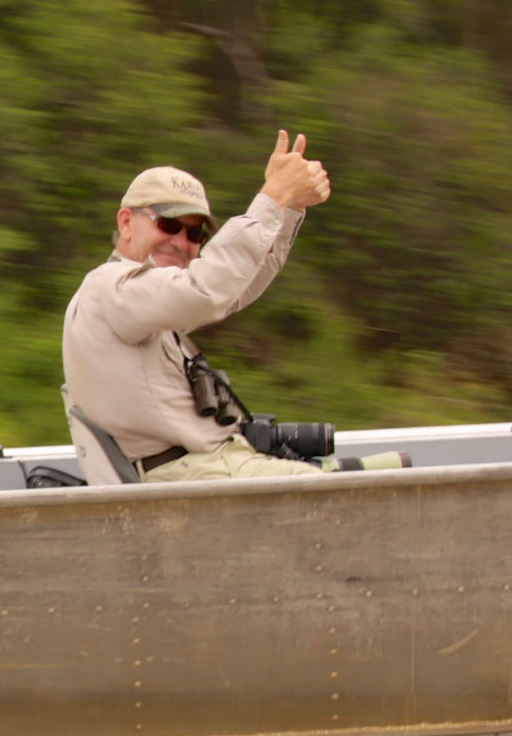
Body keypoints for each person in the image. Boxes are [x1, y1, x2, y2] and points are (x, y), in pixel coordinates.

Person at [63, 132, 335, 482]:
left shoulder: (138, 298)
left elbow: (234, 286)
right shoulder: (111, 287)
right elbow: (208, 288)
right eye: (169, 224)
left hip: (203, 470)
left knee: (362, 477)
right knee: (349, 492)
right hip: (188, 476)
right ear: (126, 222)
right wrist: (273, 196)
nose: (181, 242)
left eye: (195, 235)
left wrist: (291, 206)